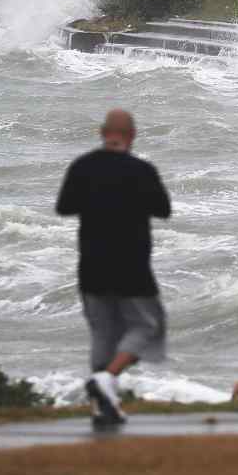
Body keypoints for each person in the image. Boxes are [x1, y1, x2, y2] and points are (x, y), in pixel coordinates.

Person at [56, 109, 172, 427]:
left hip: (91, 265)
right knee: (148, 328)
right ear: (132, 136)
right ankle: (108, 379)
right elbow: (163, 209)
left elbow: (64, 207)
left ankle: (101, 406)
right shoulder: (142, 170)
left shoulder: (83, 167)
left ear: (102, 133)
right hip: (132, 266)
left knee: (102, 335)